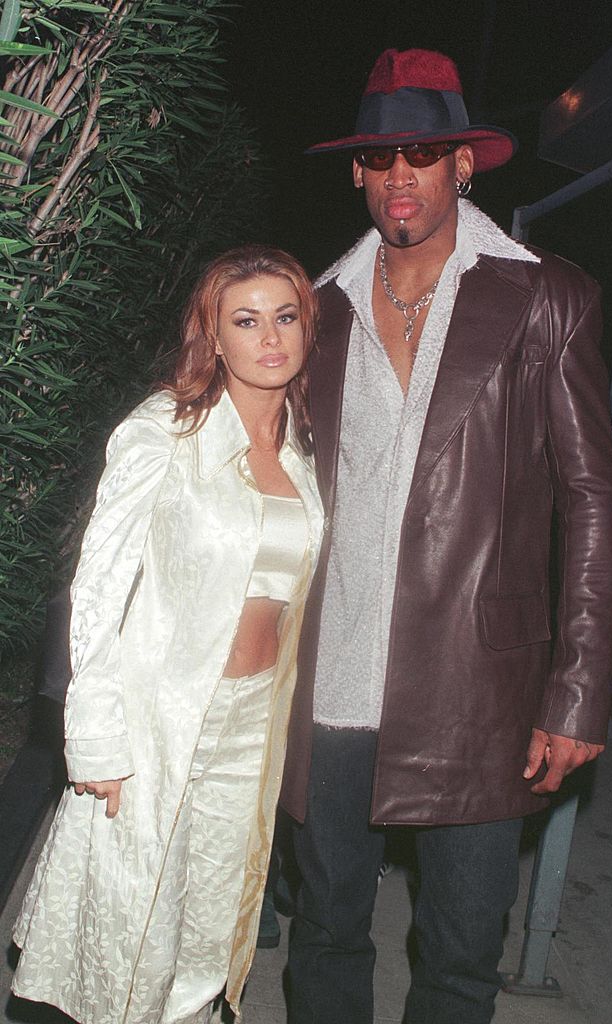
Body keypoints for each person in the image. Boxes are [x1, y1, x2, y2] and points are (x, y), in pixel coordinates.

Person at [280, 48, 612, 1024]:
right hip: (332, 675)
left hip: (481, 685)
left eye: (422, 155)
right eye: (380, 157)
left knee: (461, 953)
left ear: (464, 164)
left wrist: (578, 687)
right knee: (327, 929)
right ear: (356, 170)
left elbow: (590, 500)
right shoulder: (318, 307)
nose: (400, 178)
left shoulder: (547, 295)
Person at [12, 245, 324, 1024]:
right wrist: (95, 736)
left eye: (286, 317)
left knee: (210, 926)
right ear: (213, 337)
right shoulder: (164, 430)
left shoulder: (301, 448)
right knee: (128, 932)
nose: (270, 338)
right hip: (158, 717)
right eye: (245, 321)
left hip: (253, 726)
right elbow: (98, 589)